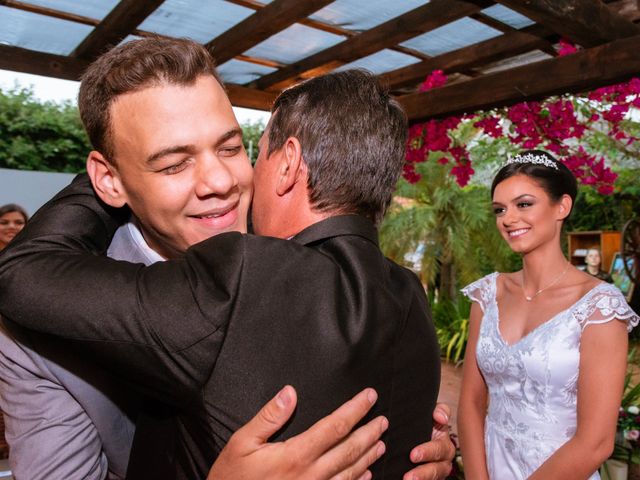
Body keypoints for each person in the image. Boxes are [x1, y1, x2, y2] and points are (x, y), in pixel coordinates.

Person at [0, 38, 450, 479]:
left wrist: (416, 447)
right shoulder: (31, 334)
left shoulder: (291, 255)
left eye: (231, 147)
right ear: (108, 179)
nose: (219, 181)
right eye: (173, 163)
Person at [457, 150, 639, 479]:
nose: (508, 219)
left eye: (523, 204)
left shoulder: (599, 307)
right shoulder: (487, 295)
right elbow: (470, 403)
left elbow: (596, 443)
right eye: (500, 209)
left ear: (562, 206)